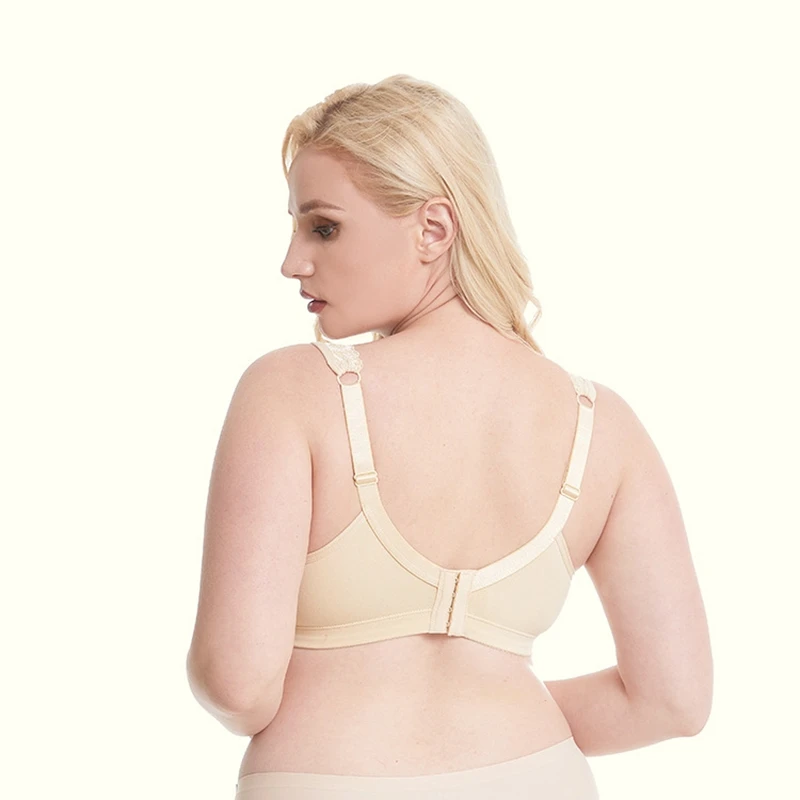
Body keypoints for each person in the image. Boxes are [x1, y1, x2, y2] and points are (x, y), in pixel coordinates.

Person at [186, 74, 713, 799]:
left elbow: (237, 682)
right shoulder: (604, 425)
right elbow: (674, 700)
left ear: (433, 229)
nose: (292, 261)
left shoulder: (291, 391)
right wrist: (505, 726)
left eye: (323, 227)